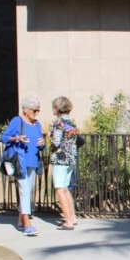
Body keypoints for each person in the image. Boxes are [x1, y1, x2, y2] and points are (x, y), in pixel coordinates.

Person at [1, 97, 46, 236]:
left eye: (38, 110)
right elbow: (3, 137)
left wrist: (43, 143)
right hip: (20, 161)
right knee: (25, 190)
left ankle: (20, 220)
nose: (36, 113)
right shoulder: (17, 121)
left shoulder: (37, 124)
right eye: (34, 110)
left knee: (28, 190)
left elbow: (41, 145)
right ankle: (27, 224)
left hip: (33, 160)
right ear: (26, 110)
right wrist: (16, 138)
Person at [49, 96, 79, 230]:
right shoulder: (71, 121)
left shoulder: (59, 122)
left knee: (60, 189)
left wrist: (50, 132)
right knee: (66, 189)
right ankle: (73, 217)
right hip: (71, 157)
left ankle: (68, 221)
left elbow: (56, 142)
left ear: (57, 108)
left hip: (60, 159)